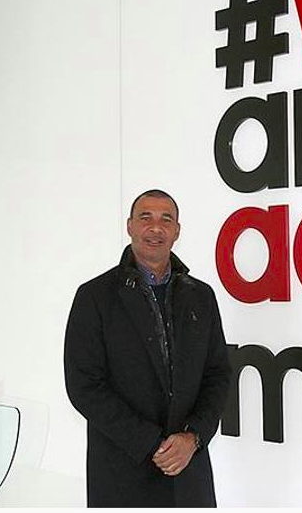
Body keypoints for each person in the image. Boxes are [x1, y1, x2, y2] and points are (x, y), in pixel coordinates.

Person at [64, 189, 232, 507]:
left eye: (166, 219)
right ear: (130, 226)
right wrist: (151, 443)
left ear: (177, 231)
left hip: (188, 471)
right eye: (146, 217)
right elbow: (84, 386)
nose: (156, 227)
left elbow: (218, 375)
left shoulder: (202, 297)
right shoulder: (95, 297)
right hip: (123, 472)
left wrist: (193, 437)